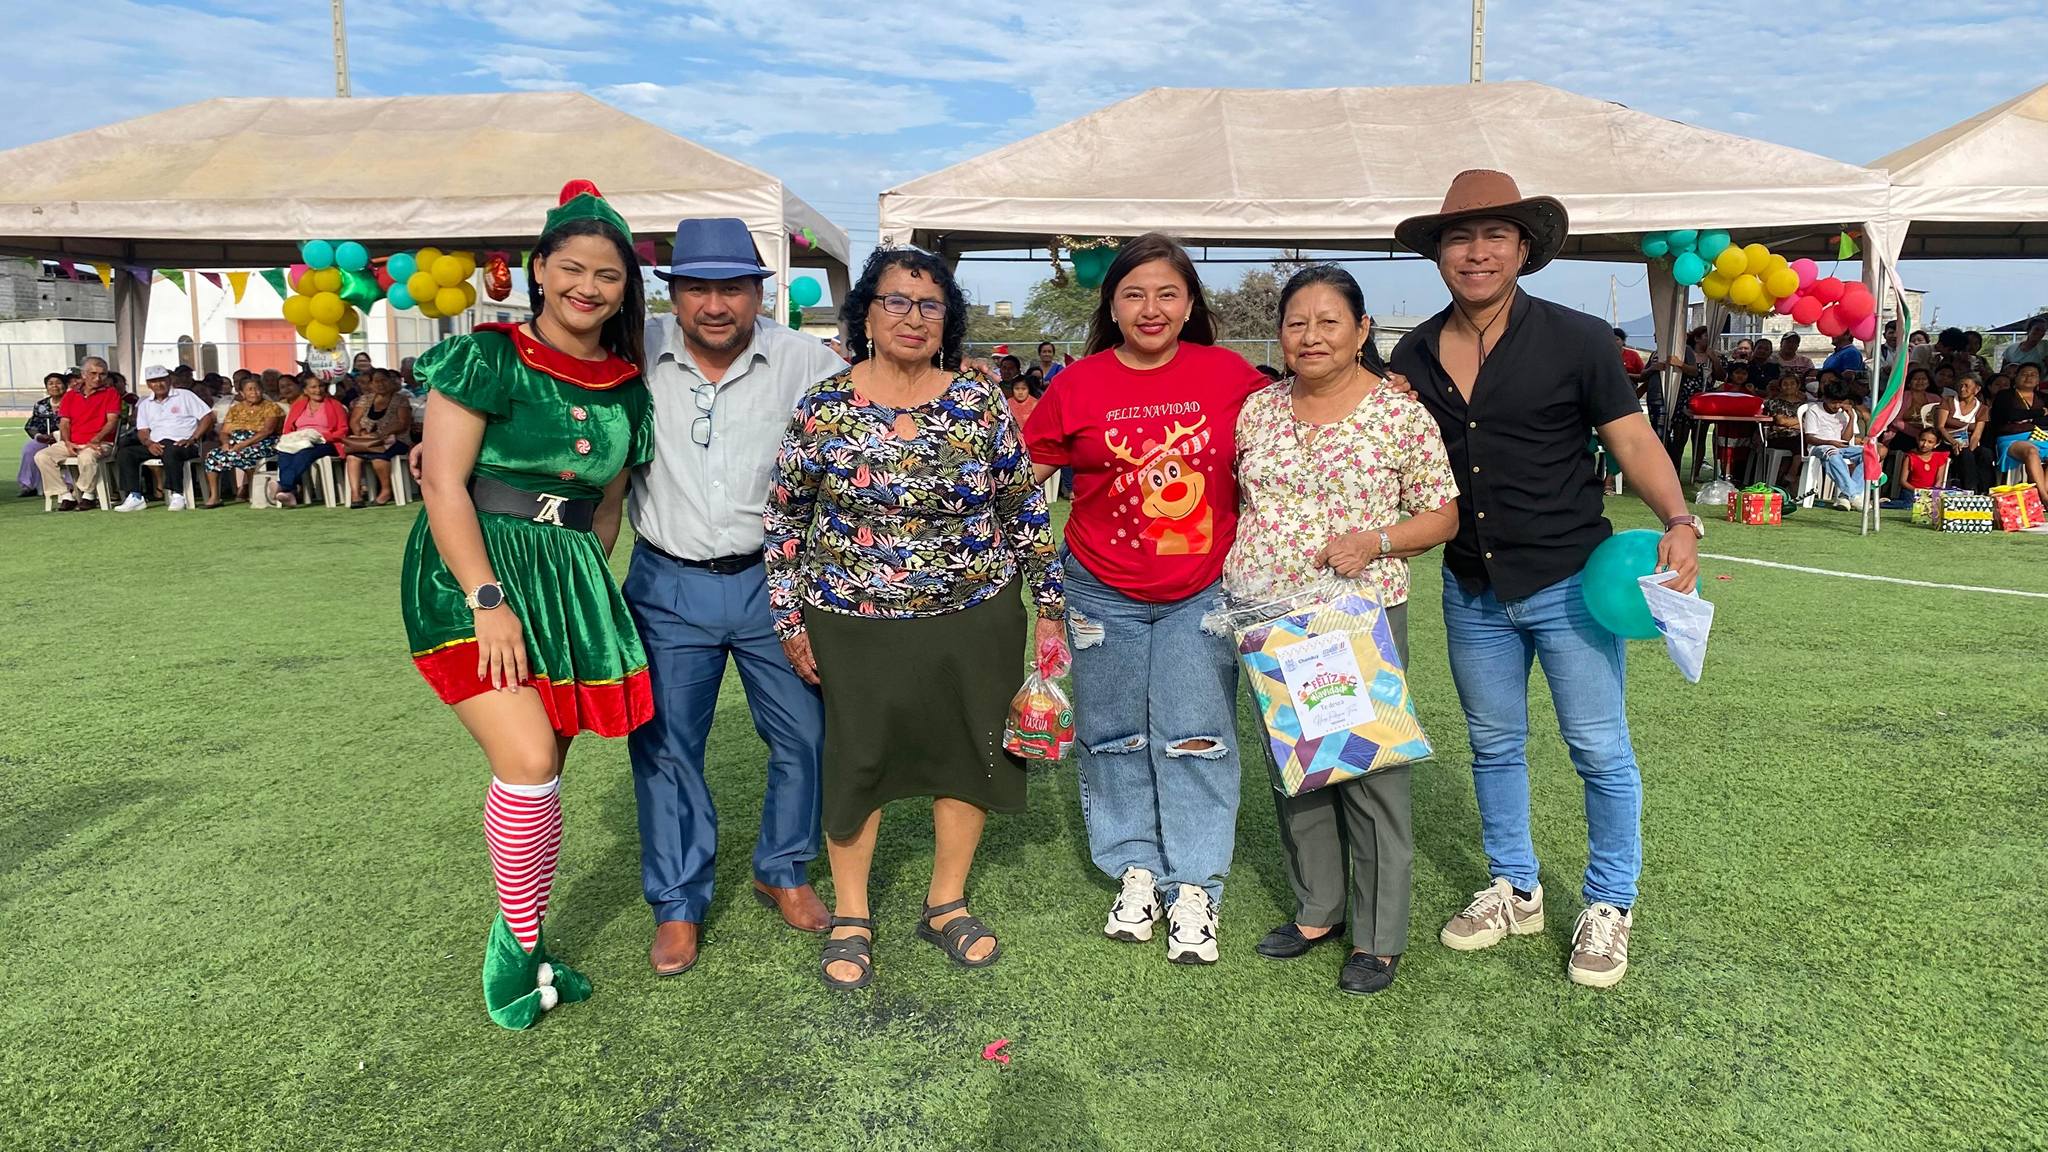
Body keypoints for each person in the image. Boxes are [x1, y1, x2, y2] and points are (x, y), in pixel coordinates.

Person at [1388, 169, 1700, 990]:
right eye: (1459, 238)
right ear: (1439, 254)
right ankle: (1515, 888)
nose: (1476, 252)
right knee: (1494, 746)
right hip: (1471, 586)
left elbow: (1631, 440)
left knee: (1598, 748)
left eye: (1495, 235)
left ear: (1524, 249)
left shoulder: (1577, 339)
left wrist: (1679, 519)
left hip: (1568, 582)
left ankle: (1610, 903)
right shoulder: (1412, 354)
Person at [765, 247, 1064, 990]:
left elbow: (1023, 505)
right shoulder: (822, 407)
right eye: (895, 300)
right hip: (851, 620)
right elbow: (785, 520)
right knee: (857, 761)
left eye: (930, 305)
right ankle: (852, 914)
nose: (913, 317)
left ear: (947, 320)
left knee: (967, 753)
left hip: (974, 616)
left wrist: (1050, 605)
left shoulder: (979, 401)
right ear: (865, 314)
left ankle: (945, 903)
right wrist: (789, 622)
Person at [400, 180, 655, 1030]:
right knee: (530, 759)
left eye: (608, 275)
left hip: (569, 581)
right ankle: (512, 955)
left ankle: (528, 938)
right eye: (571, 268)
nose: (589, 287)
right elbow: (443, 482)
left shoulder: (628, 388)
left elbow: (607, 510)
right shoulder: (488, 357)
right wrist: (487, 599)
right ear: (539, 270)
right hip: (476, 572)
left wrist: (584, 594)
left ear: (625, 289)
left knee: (544, 772)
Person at [1022, 232, 1269, 966]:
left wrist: (1384, 388)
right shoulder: (1077, 384)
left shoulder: (1230, 377)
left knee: (1198, 736)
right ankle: (1134, 867)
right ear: (1112, 306)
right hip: (1099, 591)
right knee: (1112, 735)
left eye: (1167, 293)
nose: (1150, 308)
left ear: (1190, 304)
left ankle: (1194, 884)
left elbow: (1304, 426)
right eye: (1133, 294)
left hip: (1204, 592)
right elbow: (1019, 476)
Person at [625, 217, 848, 979]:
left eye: (732, 288)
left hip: (774, 583)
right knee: (664, 746)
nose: (714, 305)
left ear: (759, 292)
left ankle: (783, 868)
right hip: (666, 582)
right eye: (696, 288)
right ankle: (678, 903)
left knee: (805, 733)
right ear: (673, 294)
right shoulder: (634, 353)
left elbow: (866, 435)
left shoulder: (806, 361)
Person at [1230, 265, 1459, 996]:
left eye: (1329, 321)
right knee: (1297, 769)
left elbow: (1443, 514)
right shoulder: (1257, 410)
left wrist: (1376, 541)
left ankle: (1378, 935)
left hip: (1358, 616)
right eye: (1296, 322)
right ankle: (1317, 909)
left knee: (1369, 771)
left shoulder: (1399, 414)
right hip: (1270, 618)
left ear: (1362, 331)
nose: (1311, 336)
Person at [113, 366, 215, 512]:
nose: (159, 384)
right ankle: (135, 496)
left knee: (170, 449)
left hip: (185, 443)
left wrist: (194, 438)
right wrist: (149, 443)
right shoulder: (145, 404)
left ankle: (177, 494)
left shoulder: (184, 395)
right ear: (149, 384)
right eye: (154, 381)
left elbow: (207, 417)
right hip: (156, 444)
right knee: (126, 453)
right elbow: (142, 430)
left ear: (169, 380)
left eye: (162, 380)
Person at [34, 356, 122, 511]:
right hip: (73, 442)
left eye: (102, 374)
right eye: (93, 373)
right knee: (42, 456)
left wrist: (95, 439)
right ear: (83, 374)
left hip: (101, 442)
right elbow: (64, 422)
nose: (98, 378)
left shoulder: (111, 393)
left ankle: (86, 494)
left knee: (87, 457)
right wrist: (67, 442)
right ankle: (65, 495)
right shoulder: (70, 395)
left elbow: (112, 422)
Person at [201, 376, 285, 507]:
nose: (254, 392)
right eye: (250, 389)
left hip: (262, 442)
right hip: (236, 443)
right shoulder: (236, 409)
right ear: (242, 393)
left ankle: (252, 493)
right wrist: (226, 443)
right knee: (213, 456)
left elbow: (267, 431)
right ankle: (215, 497)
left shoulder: (271, 407)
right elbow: (224, 431)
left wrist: (244, 444)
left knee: (246, 454)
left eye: (257, 389)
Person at [274, 375, 350, 507]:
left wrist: (322, 436)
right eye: (313, 387)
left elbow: (343, 431)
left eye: (321, 386)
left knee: (305, 453)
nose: (318, 390)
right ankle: (289, 492)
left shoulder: (335, 405)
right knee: (284, 452)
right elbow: (288, 428)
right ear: (305, 390)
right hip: (300, 439)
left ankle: (284, 487)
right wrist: (294, 438)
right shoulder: (298, 405)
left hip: (325, 442)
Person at [343, 369, 415, 506]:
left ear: (390, 382)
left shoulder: (401, 399)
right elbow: (354, 421)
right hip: (368, 440)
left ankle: (386, 490)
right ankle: (356, 495)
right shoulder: (365, 399)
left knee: (379, 456)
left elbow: (403, 423)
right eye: (376, 381)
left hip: (396, 439)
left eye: (384, 380)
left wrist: (381, 434)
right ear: (371, 384)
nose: (380, 384)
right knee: (352, 457)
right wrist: (361, 433)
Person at [1801, 379, 1868, 510]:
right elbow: (1809, 438)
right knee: (1832, 452)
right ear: (1825, 398)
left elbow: (1846, 439)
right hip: (1819, 447)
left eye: (1840, 402)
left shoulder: (1845, 413)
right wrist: (1830, 442)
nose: (1837, 406)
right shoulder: (1814, 410)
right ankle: (1855, 495)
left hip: (1841, 447)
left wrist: (1852, 418)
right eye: (1833, 402)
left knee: (1868, 454)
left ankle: (1845, 496)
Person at [1989, 363, 2048, 504]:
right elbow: (2009, 415)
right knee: (2031, 451)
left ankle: (2043, 494)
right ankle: (2043, 497)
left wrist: (2025, 417)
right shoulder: (2005, 395)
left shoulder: (2044, 397)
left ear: (2039, 380)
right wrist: (2040, 412)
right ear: (2016, 377)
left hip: (2040, 436)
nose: (2029, 377)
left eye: (2033, 375)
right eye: (2024, 374)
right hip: (2011, 438)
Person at [1940, 374, 1991, 492]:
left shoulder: (1982, 408)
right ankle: (1970, 489)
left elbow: (1977, 434)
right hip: (1947, 441)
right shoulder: (1948, 401)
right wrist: (1954, 442)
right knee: (1966, 454)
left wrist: (1970, 448)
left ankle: (1985, 489)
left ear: (1977, 389)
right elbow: (1940, 427)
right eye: (1960, 385)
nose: (1962, 389)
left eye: (1967, 386)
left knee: (1985, 453)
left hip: (1968, 443)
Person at [18, 373, 66, 498]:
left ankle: (69, 485)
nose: (55, 386)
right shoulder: (41, 405)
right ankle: (28, 485)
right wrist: (39, 436)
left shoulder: (72, 401)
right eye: (50, 384)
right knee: (29, 449)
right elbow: (31, 425)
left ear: (65, 385)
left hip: (65, 437)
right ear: (46, 387)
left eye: (58, 383)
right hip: (46, 438)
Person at [1881, 429, 1950, 509]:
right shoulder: (1910, 457)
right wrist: (1918, 491)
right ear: (1918, 440)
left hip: (1930, 492)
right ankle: (1884, 503)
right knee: (1910, 504)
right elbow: (1903, 481)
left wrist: (1932, 493)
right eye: (1922, 440)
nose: (1925, 444)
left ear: (1936, 444)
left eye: (1930, 442)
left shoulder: (1939, 457)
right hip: (1911, 491)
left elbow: (1939, 480)